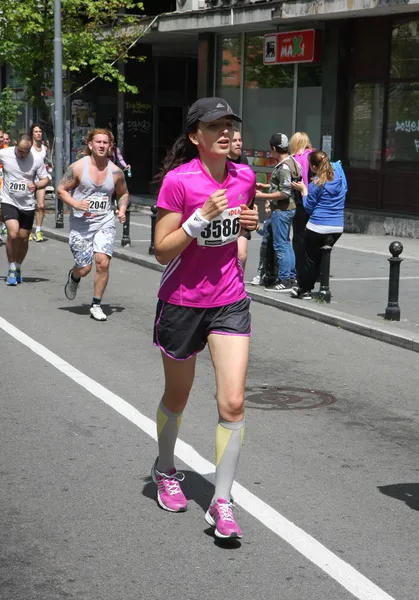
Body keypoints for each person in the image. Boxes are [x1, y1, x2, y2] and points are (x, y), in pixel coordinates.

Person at [152, 97, 258, 540]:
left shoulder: (245, 177)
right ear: (197, 136)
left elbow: (240, 234)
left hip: (229, 300)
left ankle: (221, 501)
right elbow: (162, 249)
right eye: (215, 126)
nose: (226, 132)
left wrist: (247, 223)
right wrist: (199, 219)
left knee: (232, 402)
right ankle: (165, 468)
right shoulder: (179, 182)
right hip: (181, 302)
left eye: (230, 125)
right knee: (178, 396)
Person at [57, 128, 129, 321]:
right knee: (85, 268)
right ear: (90, 145)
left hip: (104, 221)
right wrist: (75, 203)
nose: (102, 145)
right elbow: (61, 190)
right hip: (81, 225)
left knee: (102, 263)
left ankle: (96, 304)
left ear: (110, 146)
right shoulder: (78, 167)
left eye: (105, 143)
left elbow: (123, 193)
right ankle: (74, 276)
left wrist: (121, 210)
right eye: (98, 142)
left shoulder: (115, 172)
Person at [290, 151, 347, 299]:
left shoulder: (316, 184)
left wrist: (303, 190)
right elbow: (345, 187)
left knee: (308, 258)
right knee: (323, 256)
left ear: (314, 167)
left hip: (318, 225)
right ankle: (323, 288)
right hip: (337, 227)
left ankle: (304, 289)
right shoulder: (340, 178)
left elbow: (308, 208)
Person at [0, 134, 49, 285]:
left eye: (26, 151)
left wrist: (37, 185)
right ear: (15, 145)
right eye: (20, 150)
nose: (22, 154)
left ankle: (19, 266)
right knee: (13, 234)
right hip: (9, 200)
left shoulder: (36, 159)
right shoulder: (5, 153)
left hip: (27, 204)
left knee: (23, 238)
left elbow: (45, 179)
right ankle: (12, 268)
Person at [255, 133, 301, 292]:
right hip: (289, 209)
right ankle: (291, 277)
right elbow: (284, 187)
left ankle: (285, 279)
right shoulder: (292, 162)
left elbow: (284, 193)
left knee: (281, 245)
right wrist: (267, 186)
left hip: (282, 210)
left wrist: (262, 195)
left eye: (271, 150)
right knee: (286, 244)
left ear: (274, 149)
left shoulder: (284, 167)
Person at [289, 132, 313, 281]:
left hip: (300, 201)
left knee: (299, 236)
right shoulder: (315, 156)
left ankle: (300, 268)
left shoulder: (295, 160)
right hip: (315, 201)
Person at [228, 127, 252, 272]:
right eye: (234, 141)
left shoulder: (243, 160)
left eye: (240, 140)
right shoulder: (221, 161)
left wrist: (251, 205)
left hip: (241, 214)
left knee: (241, 256)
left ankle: (238, 288)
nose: (238, 144)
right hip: (225, 214)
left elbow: (248, 187)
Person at [29, 124, 49, 242]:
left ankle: (38, 230)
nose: (38, 133)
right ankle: (28, 230)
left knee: (41, 205)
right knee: (29, 206)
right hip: (29, 179)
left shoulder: (44, 148)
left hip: (41, 179)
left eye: (40, 131)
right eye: (36, 131)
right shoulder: (28, 147)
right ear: (32, 133)